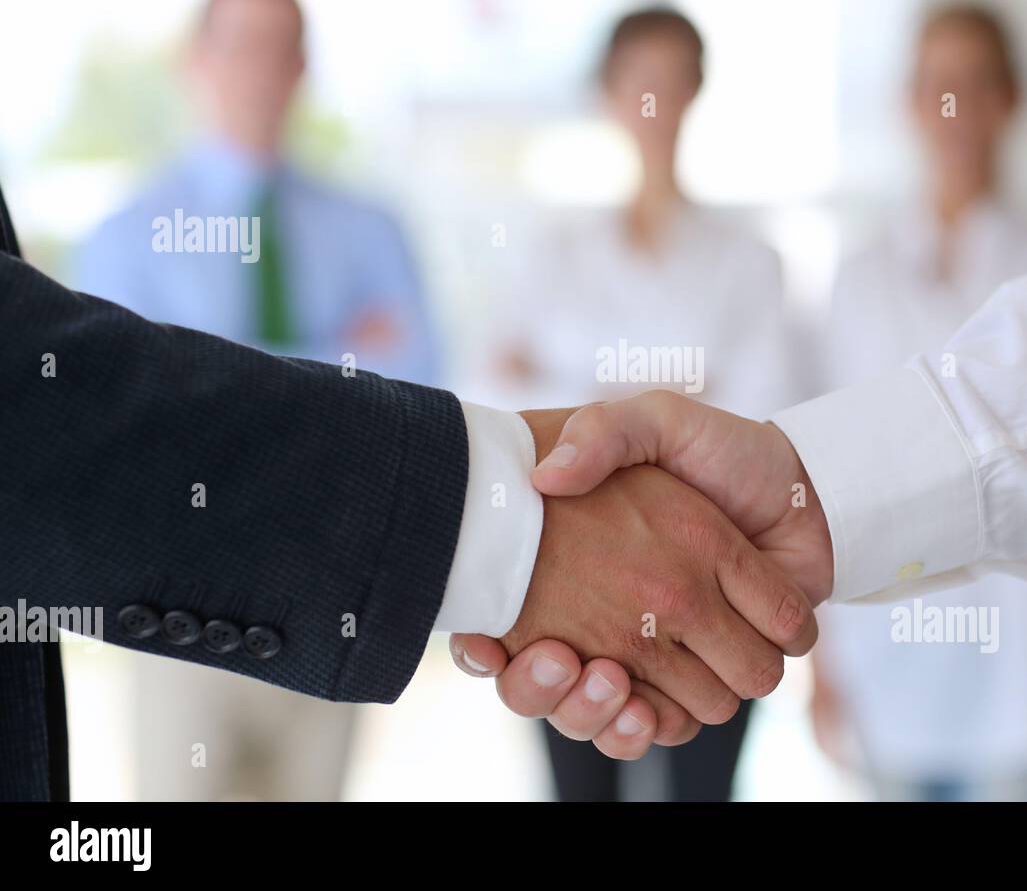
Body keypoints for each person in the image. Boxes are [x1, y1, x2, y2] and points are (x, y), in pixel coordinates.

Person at [453, 136, 1027, 758]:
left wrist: (490, 550)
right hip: (872, 642)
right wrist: (809, 498)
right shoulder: (858, 272)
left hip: (1025, 670)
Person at [0, 185, 818, 801]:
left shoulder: (366, 223)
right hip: (198, 599)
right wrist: (499, 524)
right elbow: (54, 396)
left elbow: (423, 352)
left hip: (312, 605)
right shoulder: (132, 222)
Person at [73, 0, 438, 801]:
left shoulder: (372, 230)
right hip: (178, 612)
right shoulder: (126, 237)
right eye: (241, 43)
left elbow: (418, 396)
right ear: (193, 62)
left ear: (305, 67)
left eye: (284, 48)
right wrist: (337, 355)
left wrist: (220, 367)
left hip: (331, 603)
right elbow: (141, 423)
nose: (263, 69)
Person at [813, 2, 1027, 800]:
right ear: (909, 102)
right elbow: (823, 482)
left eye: (975, 83)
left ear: (1013, 98)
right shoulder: (860, 279)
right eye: (936, 85)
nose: (954, 108)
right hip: (888, 673)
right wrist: (817, 662)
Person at [490, 6, 794, 801]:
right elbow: (503, 403)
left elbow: (761, 418)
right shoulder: (552, 251)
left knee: (703, 785)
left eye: (674, 80)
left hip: (707, 574)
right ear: (609, 94)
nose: (656, 100)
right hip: (568, 579)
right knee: (580, 788)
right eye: (639, 82)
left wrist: (586, 400)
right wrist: (681, 404)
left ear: (697, 91)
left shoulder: (747, 258)